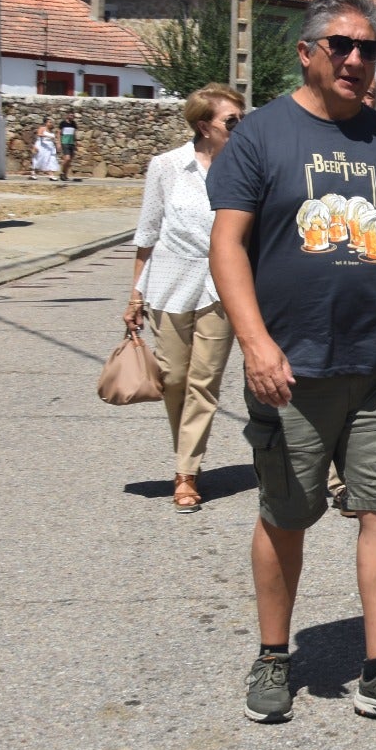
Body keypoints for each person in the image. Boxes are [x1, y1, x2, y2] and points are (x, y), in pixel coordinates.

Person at [209, 0, 376, 731]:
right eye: (340, 45)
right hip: (291, 368)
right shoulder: (261, 136)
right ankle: (274, 655)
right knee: (287, 513)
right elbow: (227, 246)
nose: (355, 59)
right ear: (308, 52)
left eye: (368, 49)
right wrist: (255, 343)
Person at [125, 84, 244, 512]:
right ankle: (187, 457)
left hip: (221, 285)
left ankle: (186, 473)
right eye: (231, 121)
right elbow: (148, 232)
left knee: (204, 381)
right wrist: (135, 294)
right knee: (173, 379)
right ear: (202, 126)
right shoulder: (167, 167)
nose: (239, 126)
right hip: (170, 283)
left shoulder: (244, 166)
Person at [59, 116, 79, 181]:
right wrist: (59, 142)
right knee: (67, 158)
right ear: (68, 115)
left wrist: (76, 143)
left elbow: (74, 134)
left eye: (73, 116)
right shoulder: (63, 123)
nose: (72, 117)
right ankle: (62, 172)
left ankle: (65, 174)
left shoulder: (74, 123)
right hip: (65, 142)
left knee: (69, 161)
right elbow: (59, 133)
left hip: (72, 143)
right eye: (70, 115)